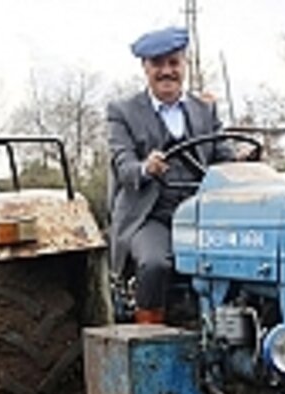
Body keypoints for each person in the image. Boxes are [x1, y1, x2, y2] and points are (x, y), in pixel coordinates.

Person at [107, 26, 235, 324]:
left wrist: (242, 164)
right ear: (145, 68)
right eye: (158, 64)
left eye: (174, 63)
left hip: (202, 214)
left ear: (184, 65)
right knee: (154, 264)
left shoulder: (205, 109)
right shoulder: (122, 111)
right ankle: (149, 344)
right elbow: (123, 166)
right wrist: (145, 168)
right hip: (151, 215)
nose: (167, 71)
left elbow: (222, 156)